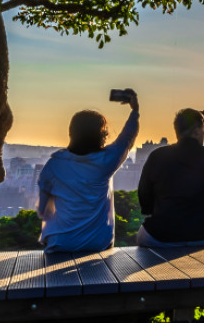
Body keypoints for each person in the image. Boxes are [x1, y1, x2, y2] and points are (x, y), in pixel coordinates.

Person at [37, 89, 139, 253]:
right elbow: (127, 138)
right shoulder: (105, 162)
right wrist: (135, 111)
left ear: (71, 133)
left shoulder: (53, 165)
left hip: (60, 243)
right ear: (102, 136)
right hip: (98, 244)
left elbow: (42, 210)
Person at [136, 108, 204, 247]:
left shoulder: (157, 156)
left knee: (142, 235)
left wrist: (152, 212)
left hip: (162, 236)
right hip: (202, 235)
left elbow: (144, 193)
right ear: (197, 131)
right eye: (203, 129)